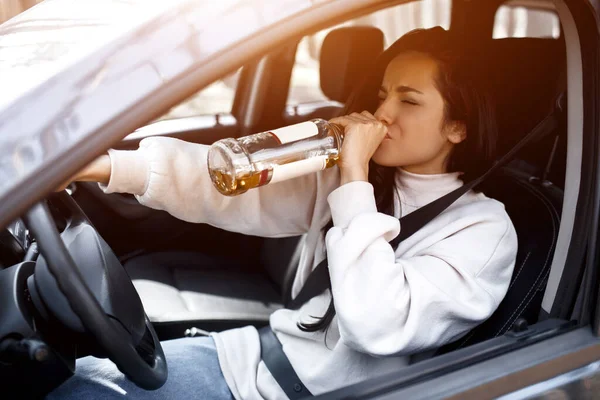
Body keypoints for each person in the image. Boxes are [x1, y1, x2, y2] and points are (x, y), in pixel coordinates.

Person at [47, 27, 518, 400]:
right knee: (86, 381)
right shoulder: (365, 180)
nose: (382, 113)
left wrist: (354, 172)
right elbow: (223, 188)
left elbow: (374, 321)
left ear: (458, 126)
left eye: (408, 100)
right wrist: (105, 166)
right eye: (383, 94)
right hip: (258, 357)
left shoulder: (483, 231)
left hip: (306, 391)